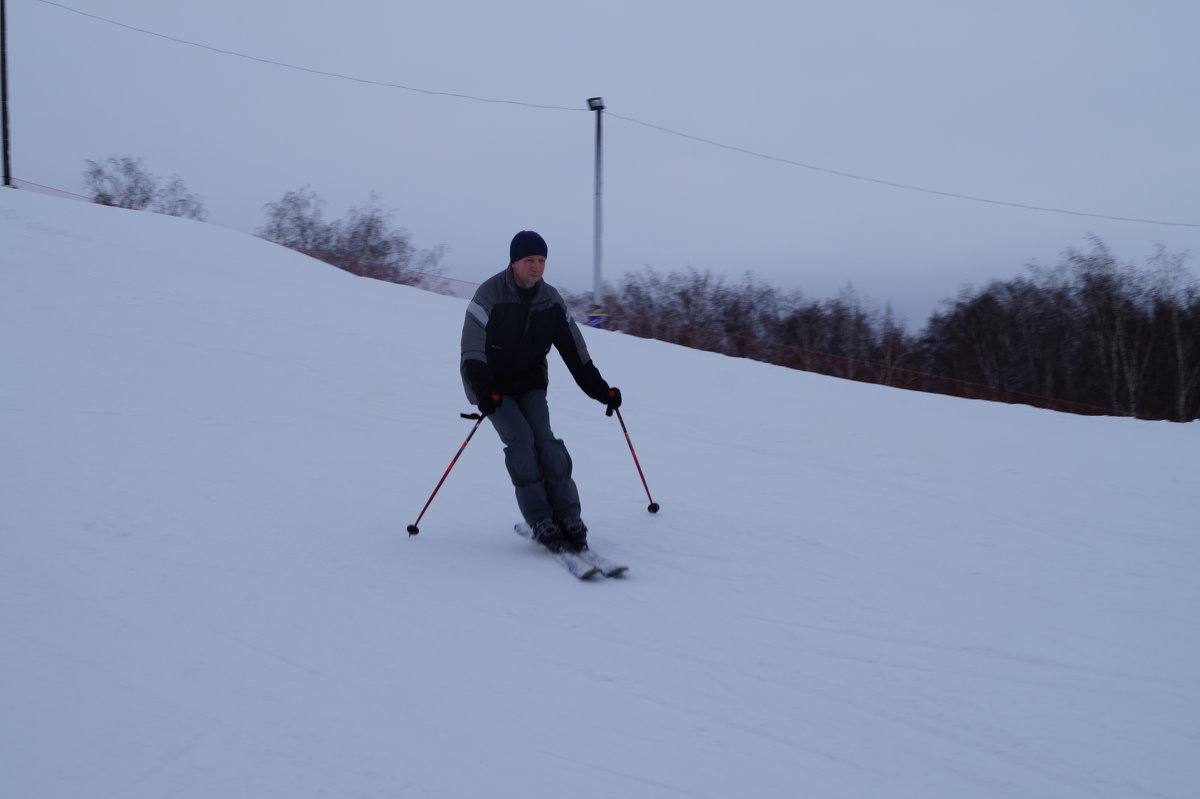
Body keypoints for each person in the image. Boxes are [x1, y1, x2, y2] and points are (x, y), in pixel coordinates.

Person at [460, 230, 621, 553]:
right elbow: (471, 351)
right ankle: (540, 518)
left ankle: (568, 516)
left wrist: (601, 390)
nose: (536, 267)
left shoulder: (551, 300)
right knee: (521, 440)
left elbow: (575, 352)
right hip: (491, 386)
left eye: (542, 260)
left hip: (530, 382)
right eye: (529, 260)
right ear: (514, 262)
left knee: (545, 440)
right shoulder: (489, 295)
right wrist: (484, 389)